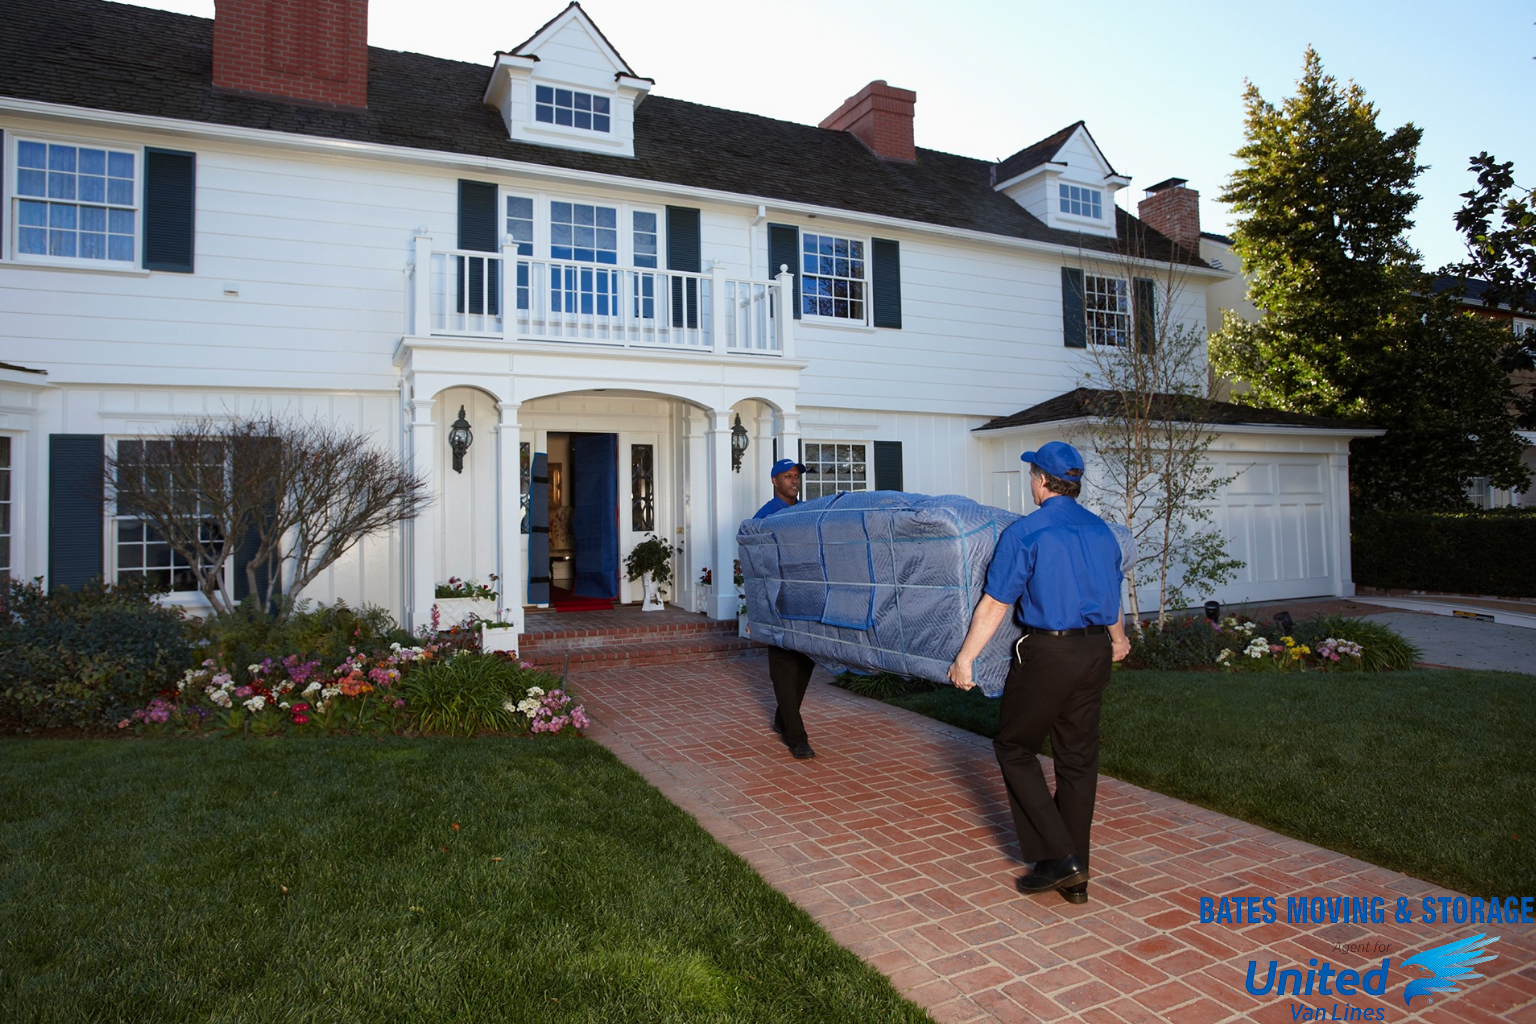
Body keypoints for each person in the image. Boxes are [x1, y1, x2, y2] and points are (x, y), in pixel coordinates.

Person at [946, 441, 1131, 905]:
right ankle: (1075, 877)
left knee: (1014, 746)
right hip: (1094, 652)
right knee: (1077, 759)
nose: (1031, 482)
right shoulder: (1102, 532)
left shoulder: (1027, 532)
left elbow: (996, 603)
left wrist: (965, 658)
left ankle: (1061, 856)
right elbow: (1110, 592)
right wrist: (1120, 639)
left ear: (1043, 481)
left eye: (1031, 475)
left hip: (1049, 652)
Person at [755, 458, 817, 760]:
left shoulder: (807, 513)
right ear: (774, 481)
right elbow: (756, 565)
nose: (794, 481)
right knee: (783, 667)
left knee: (805, 662)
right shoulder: (764, 518)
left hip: (806, 599)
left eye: (796, 476)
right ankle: (796, 737)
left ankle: (783, 719)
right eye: (788, 476)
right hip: (778, 602)